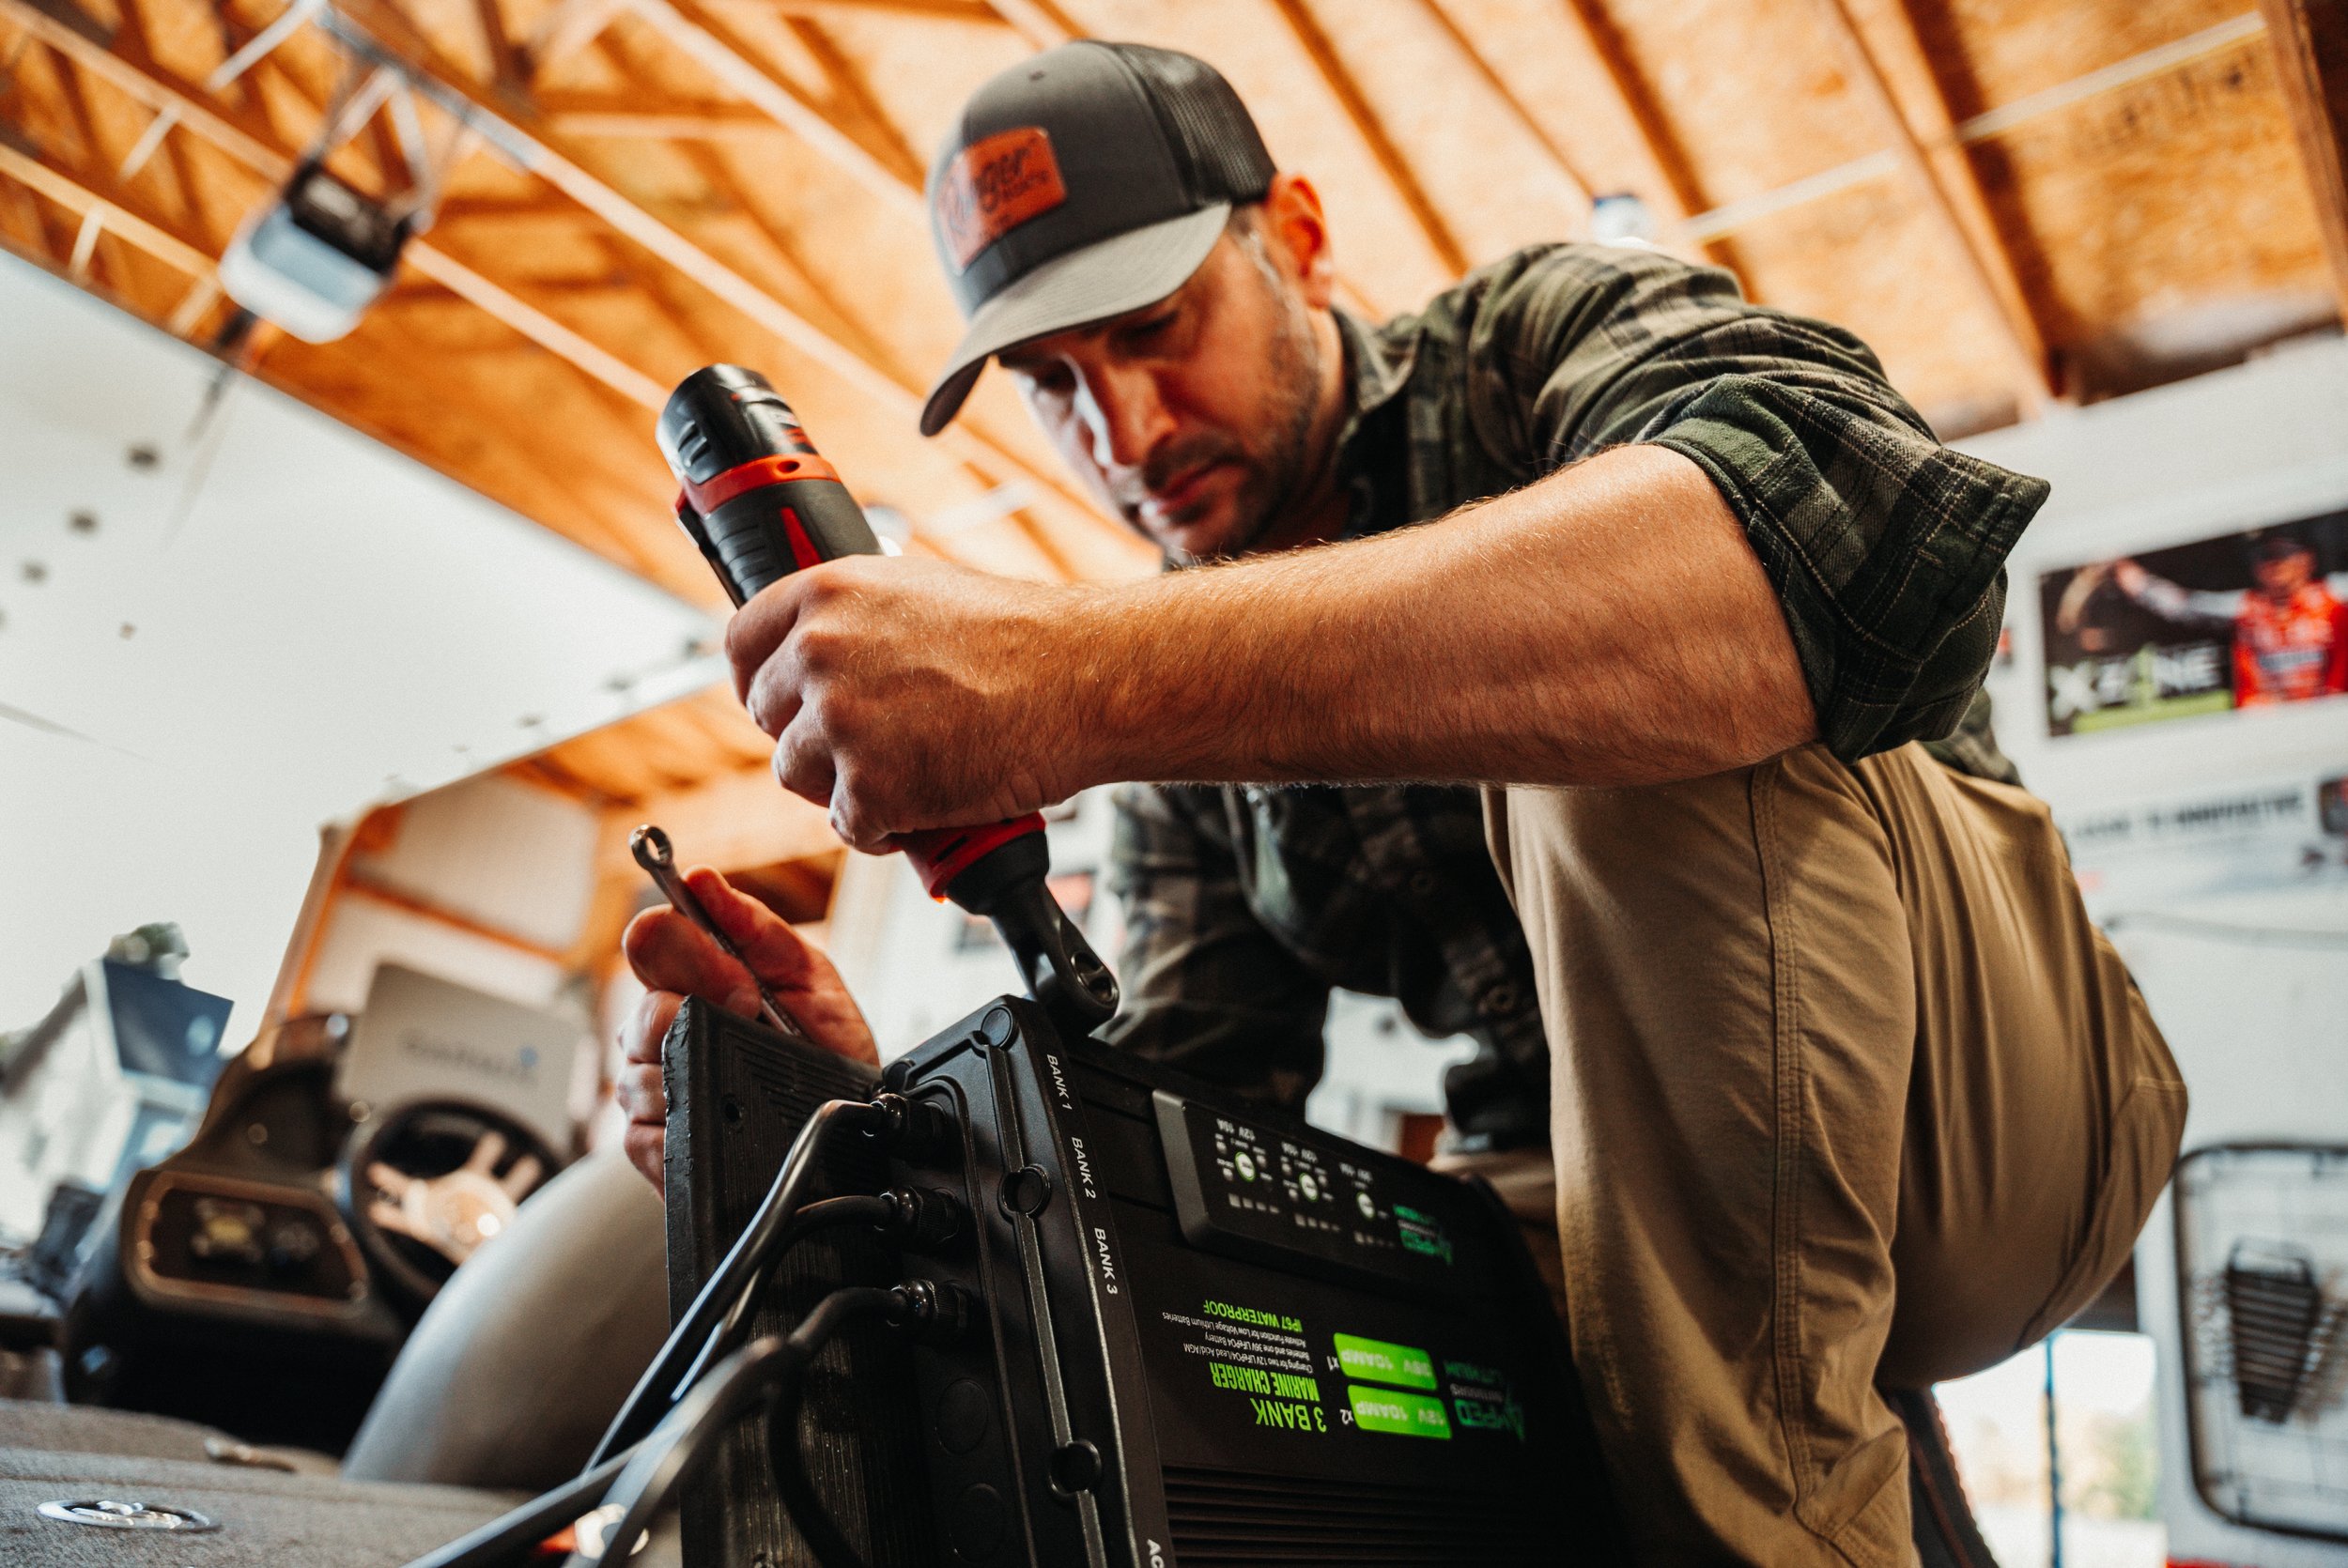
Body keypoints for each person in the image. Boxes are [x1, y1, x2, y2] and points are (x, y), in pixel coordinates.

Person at [614, 42, 2186, 1565]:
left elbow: (1840, 538)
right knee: (1276, 1275)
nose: (1128, 435)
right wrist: (886, 1130)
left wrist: (1073, 680)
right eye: (1053, 384)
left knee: (1638, 669)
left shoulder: (1538, 330)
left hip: (1985, 1127)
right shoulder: (1168, 720)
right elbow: (1169, 1135)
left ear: (1296, 233)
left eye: (1159, 327)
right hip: (1605, 1204)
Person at [2078, 530, 2348, 706]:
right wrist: (2128, 573)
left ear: (2307, 560)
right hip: (2270, 724)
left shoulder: (2334, 595)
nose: (2273, 564)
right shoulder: (2248, 606)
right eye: (2265, 556)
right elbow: (2185, 605)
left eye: (2283, 554)